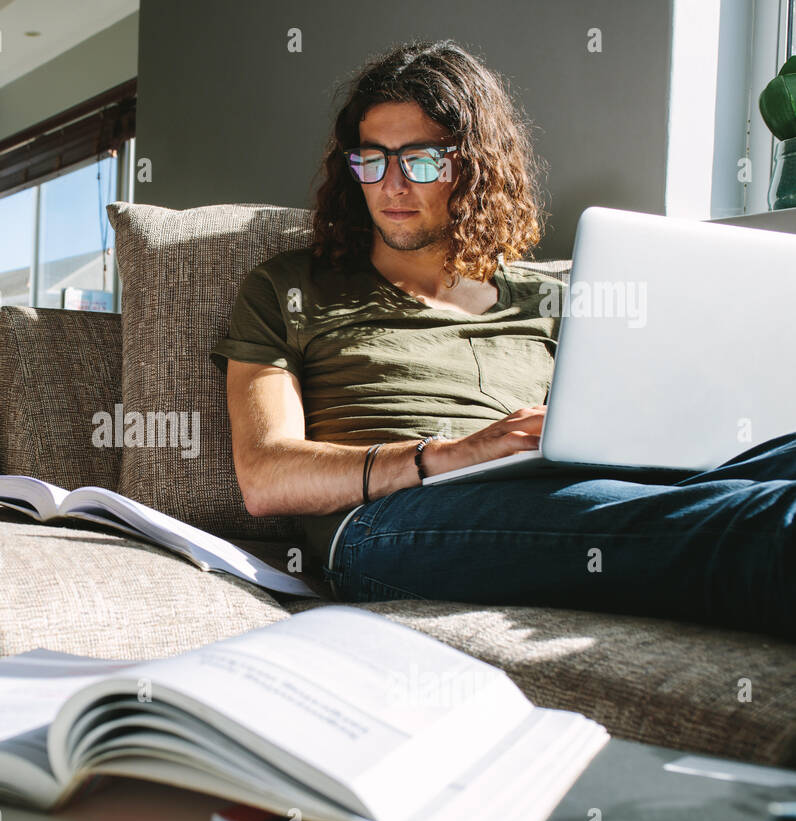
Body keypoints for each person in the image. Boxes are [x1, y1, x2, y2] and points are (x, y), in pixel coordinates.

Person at [209, 40, 795, 638]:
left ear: (473, 166)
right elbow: (266, 477)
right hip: (385, 525)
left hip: (560, 487)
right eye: (372, 160)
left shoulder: (551, 299)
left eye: (421, 160)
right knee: (768, 520)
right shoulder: (288, 287)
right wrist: (451, 455)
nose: (392, 185)